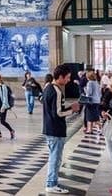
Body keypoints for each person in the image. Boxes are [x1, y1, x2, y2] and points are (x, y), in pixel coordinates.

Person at [42, 64, 80, 194]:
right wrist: (72, 110)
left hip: (49, 128)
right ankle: (51, 184)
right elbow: (58, 113)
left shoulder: (48, 88)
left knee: (54, 156)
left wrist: (68, 107)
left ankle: (52, 181)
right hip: (56, 129)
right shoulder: (57, 90)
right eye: (67, 77)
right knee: (55, 158)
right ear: (60, 77)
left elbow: (54, 108)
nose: (68, 80)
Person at [83, 69, 101, 134]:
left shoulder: (90, 83)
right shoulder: (97, 82)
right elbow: (99, 92)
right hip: (97, 101)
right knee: (95, 115)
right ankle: (99, 129)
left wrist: (85, 90)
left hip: (91, 101)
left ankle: (90, 130)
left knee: (89, 116)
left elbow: (89, 93)